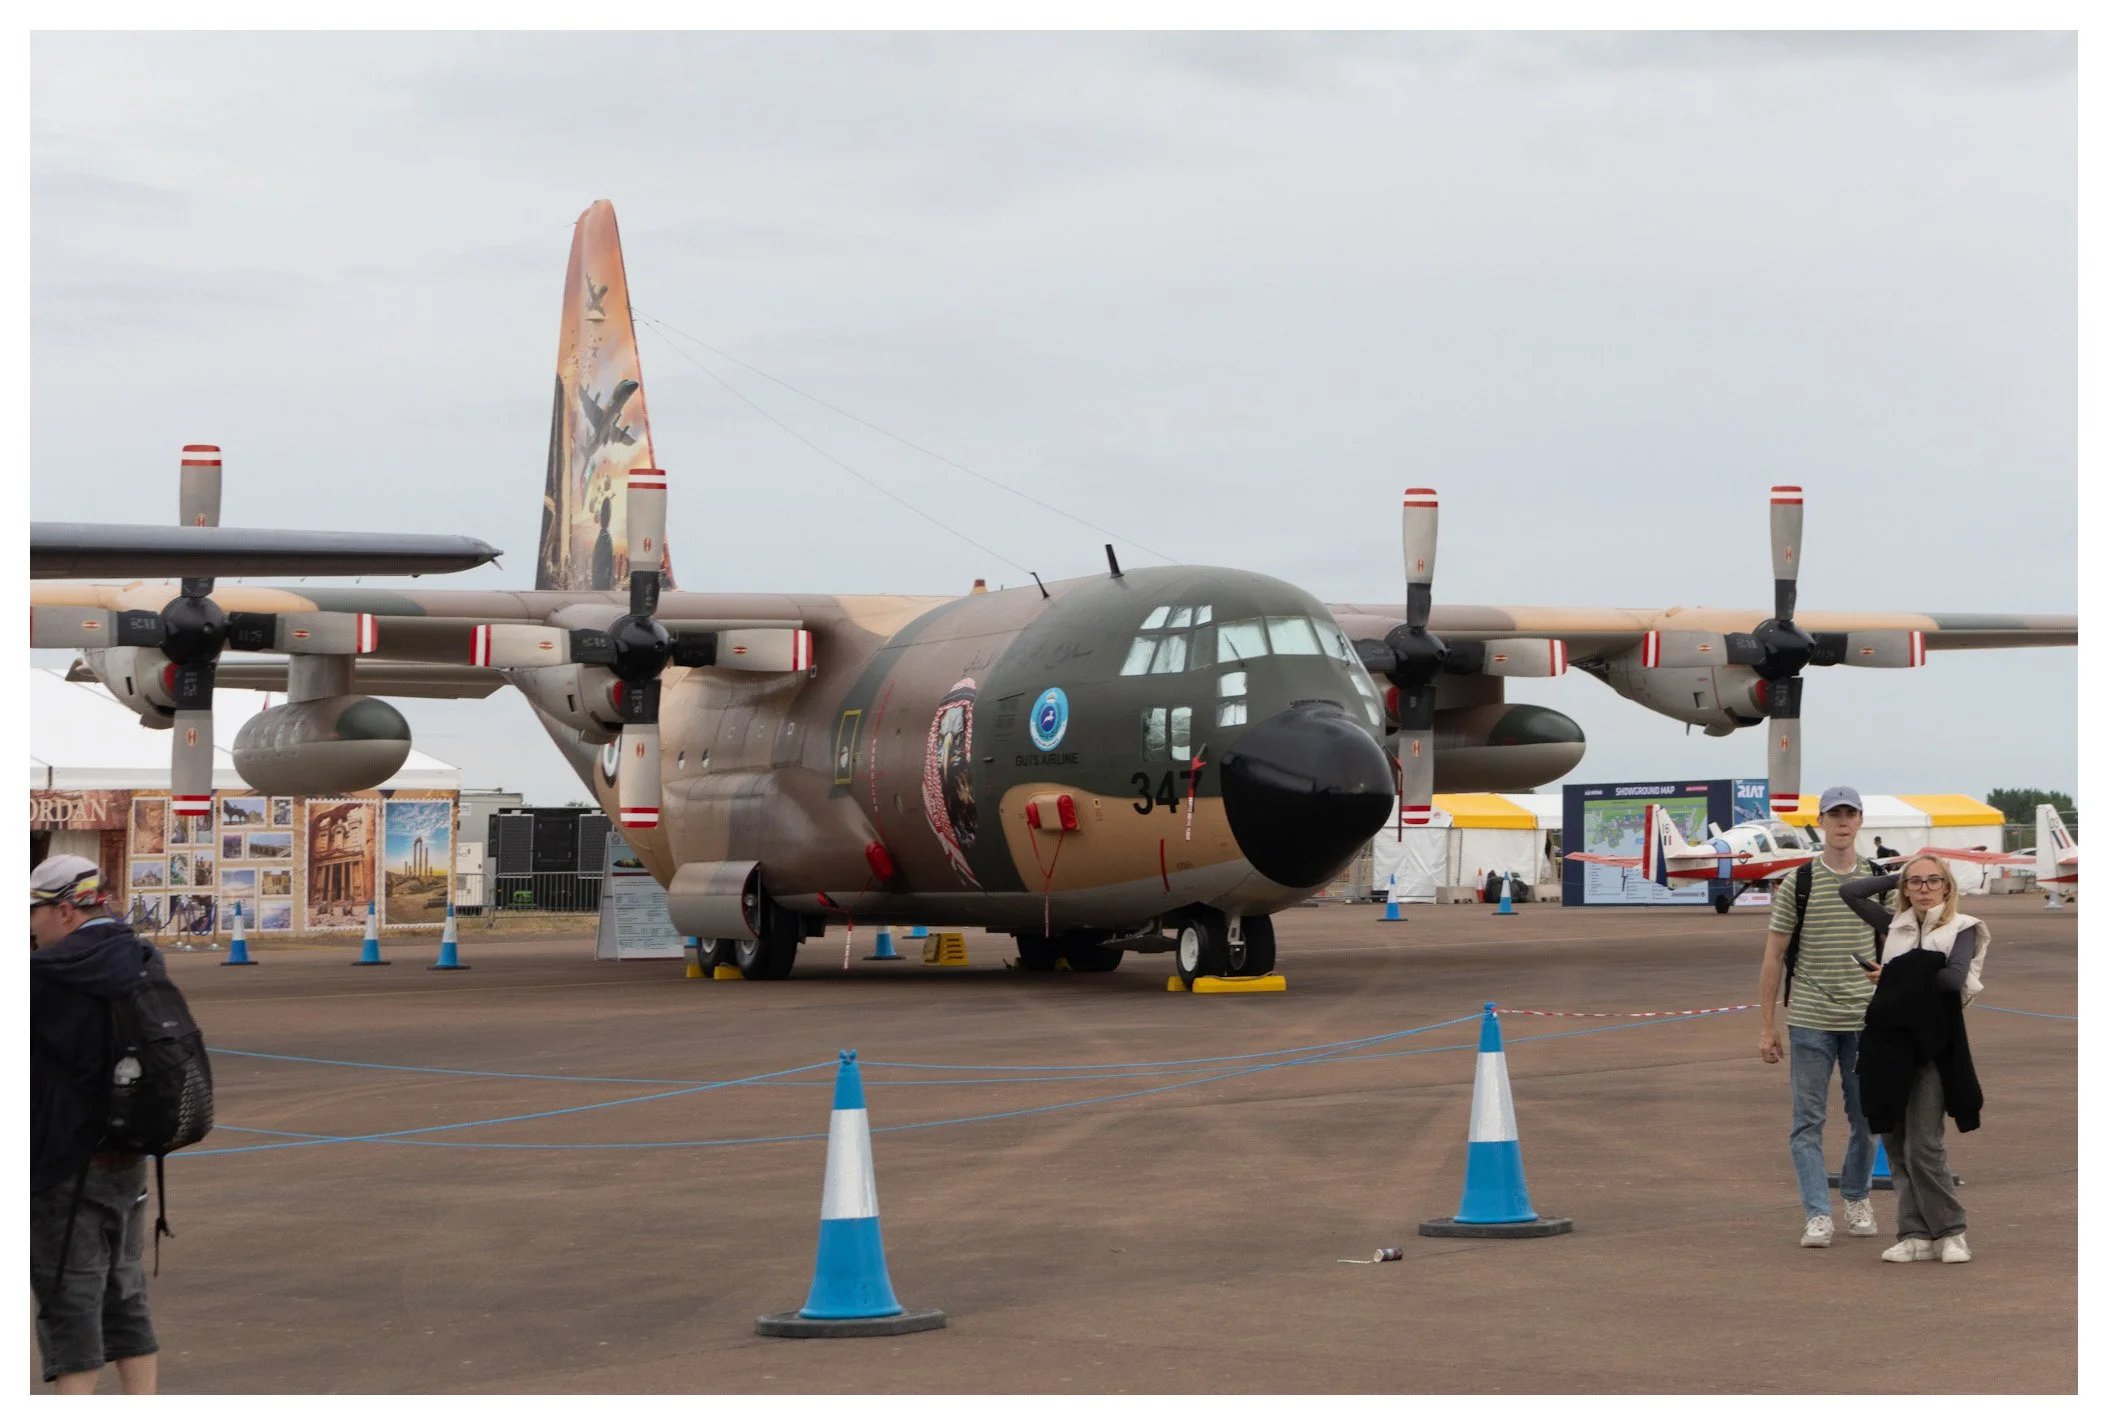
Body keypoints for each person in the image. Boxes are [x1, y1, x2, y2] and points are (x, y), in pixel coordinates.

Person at [30, 855, 161, 1394]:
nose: (28, 925)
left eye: (33, 911)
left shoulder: (47, 977)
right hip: (128, 1156)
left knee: (70, 1307)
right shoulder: (141, 957)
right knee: (124, 1295)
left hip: (62, 1165)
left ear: (64, 911)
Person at [1756, 786, 1892, 1248]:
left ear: (1860, 821)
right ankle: (1817, 1212)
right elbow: (1774, 955)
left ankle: (1856, 1196)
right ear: (1822, 821)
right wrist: (1768, 1025)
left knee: (1867, 1118)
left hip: (1866, 1020)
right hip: (1811, 1017)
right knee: (1806, 1121)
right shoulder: (1801, 882)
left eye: (1850, 814)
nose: (1842, 822)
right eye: (1834, 814)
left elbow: (1901, 942)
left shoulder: (1879, 878)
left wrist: (1889, 976)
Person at [1842, 853, 1985, 1264]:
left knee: (1924, 1141)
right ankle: (1915, 1233)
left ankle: (1951, 1231)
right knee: (1897, 1141)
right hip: (1889, 1043)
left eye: (1932, 881)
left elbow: (1953, 978)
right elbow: (1849, 890)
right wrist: (1897, 875)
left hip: (1936, 1044)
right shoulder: (1895, 925)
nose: (1924, 889)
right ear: (1904, 888)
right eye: (1915, 882)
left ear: (1947, 886)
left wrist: (1894, 975)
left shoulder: (1963, 928)